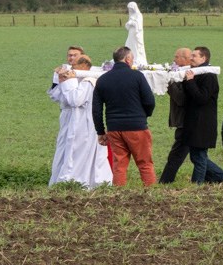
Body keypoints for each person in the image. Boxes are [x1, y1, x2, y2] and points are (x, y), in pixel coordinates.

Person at [93, 47, 158, 186]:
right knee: (145, 163)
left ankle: (118, 195)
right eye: (132, 58)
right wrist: (144, 115)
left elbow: (96, 110)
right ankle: (152, 193)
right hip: (137, 126)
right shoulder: (137, 76)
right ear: (128, 59)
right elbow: (149, 101)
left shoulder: (102, 80)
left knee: (119, 166)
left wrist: (100, 131)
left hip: (114, 128)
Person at [48, 56, 111, 188]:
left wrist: (69, 82)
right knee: (65, 152)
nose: (71, 68)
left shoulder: (89, 81)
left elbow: (75, 100)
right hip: (71, 122)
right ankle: (62, 181)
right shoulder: (78, 80)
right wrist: (62, 81)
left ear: (84, 66)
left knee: (78, 154)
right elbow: (62, 99)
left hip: (84, 124)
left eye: (74, 65)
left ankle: (78, 182)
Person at [175, 46, 223, 183]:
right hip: (195, 122)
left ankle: (197, 185)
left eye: (194, 56)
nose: (191, 58)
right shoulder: (197, 73)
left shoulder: (209, 76)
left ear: (203, 58)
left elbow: (202, 98)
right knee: (197, 156)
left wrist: (190, 82)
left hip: (202, 123)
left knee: (199, 157)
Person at [158, 47, 196, 185]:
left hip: (185, 121)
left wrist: (169, 81)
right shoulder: (181, 73)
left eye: (176, 57)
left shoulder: (186, 75)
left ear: (185, 59)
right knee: (197, 156)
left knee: (177, 154)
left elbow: (180, 99)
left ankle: (164, 181)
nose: (174, 60)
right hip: (187, 121)